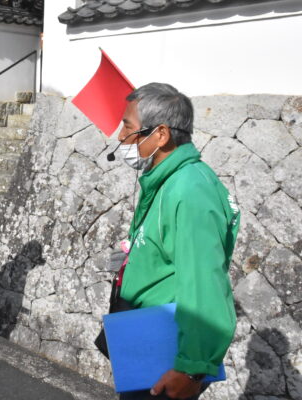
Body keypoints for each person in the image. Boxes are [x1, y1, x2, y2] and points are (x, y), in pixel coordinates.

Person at [111, 83, 240, 400]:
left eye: (128, 126)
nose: (119, 136)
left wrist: (192, 368)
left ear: (161, 134)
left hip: (167, 353)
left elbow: (204, 283)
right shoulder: (166, 179)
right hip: (144, 335)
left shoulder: (189, 190)